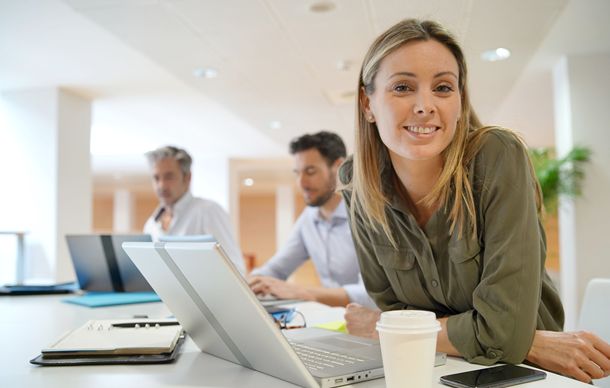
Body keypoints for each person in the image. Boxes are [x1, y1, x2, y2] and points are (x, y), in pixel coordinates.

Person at [339, 18, 610, 383]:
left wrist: (380, 327)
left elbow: (499, 330)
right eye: (402, 87)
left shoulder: (497, 156)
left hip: (523, 375)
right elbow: (395, 312)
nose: (425, 106)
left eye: (443, 88)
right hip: (437, 371)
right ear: (367, 103)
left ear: (460, 100)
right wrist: (518, 339)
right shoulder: (358, 183)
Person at [248, 131, 376, 308]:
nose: (301, 182)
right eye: (297, 173)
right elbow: (275, 269)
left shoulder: (370, 216)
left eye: (310, 171)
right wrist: (252, 282)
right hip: (335, 320)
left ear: (339, 167)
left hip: (373, 324)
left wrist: (302, 292)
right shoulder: (309, 218)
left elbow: (372, 294)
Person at [143, 145, 245, 274]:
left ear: (187, 177)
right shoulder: (151, 224)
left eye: (169, 177)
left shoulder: (208, 211)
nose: (161, 185)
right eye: (156, 178)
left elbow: (235, 268)